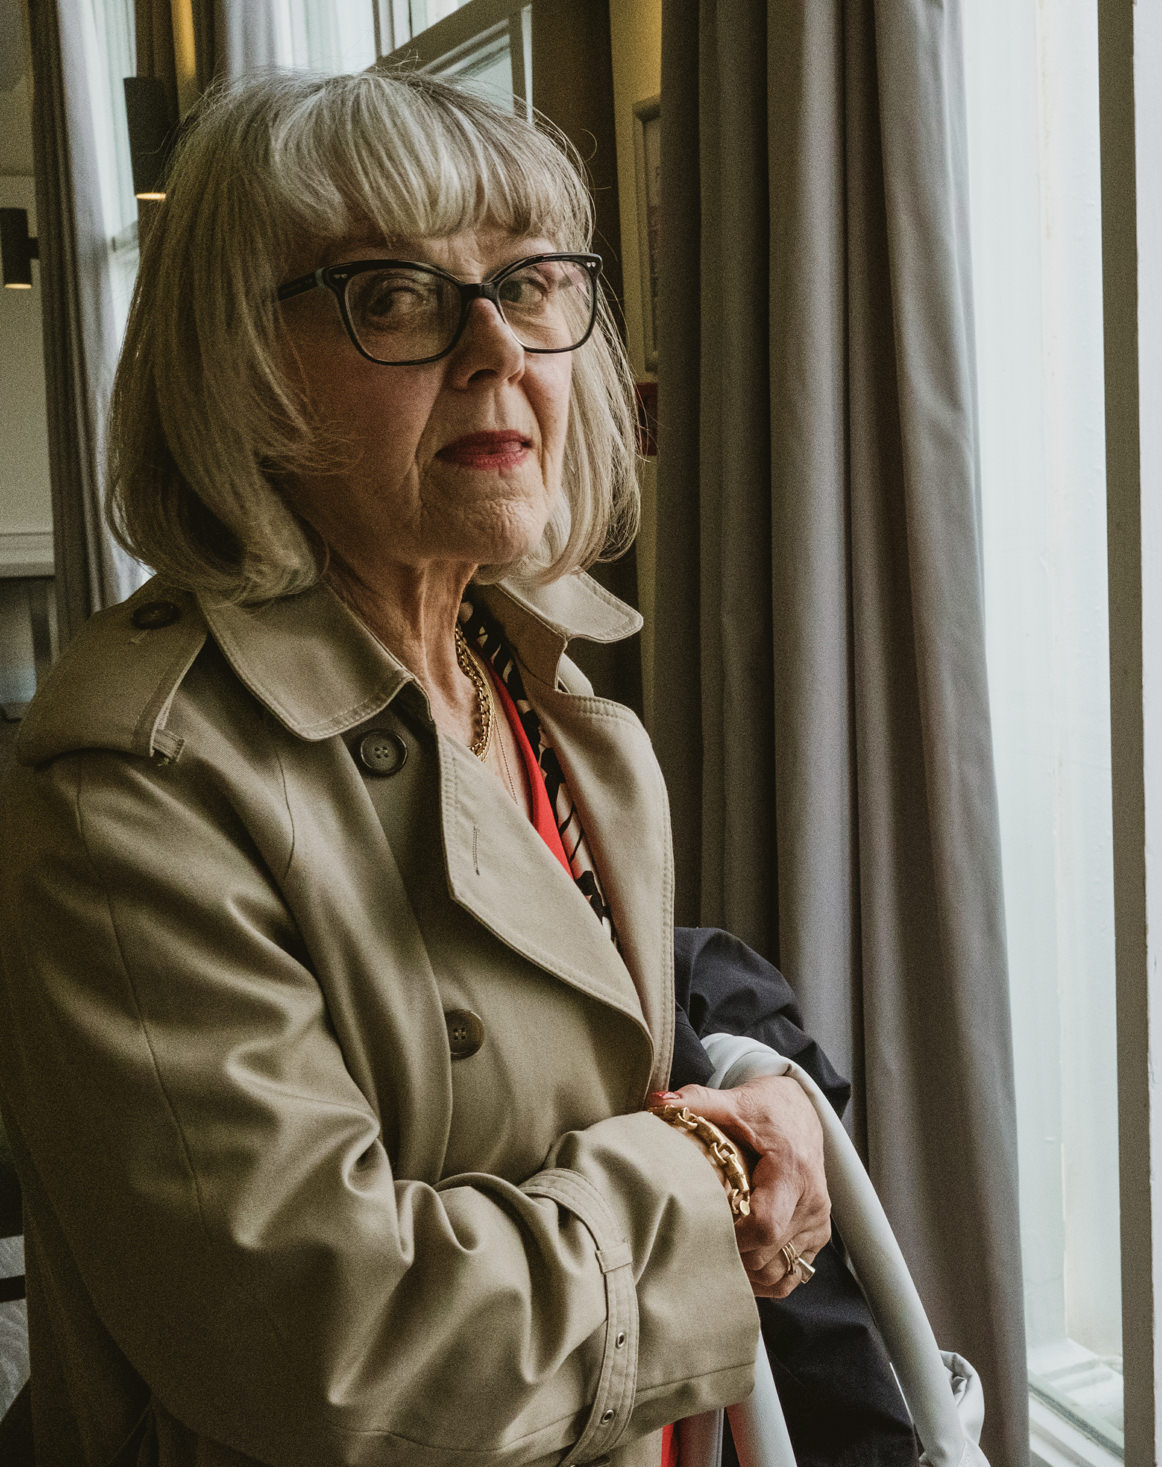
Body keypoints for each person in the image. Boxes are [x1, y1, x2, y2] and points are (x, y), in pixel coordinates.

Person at [0, 70, 865, 1466]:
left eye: (529, 283)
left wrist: (755, 1118)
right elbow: (338, 1348)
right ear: (238, 362)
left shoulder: (538, 679)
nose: (497, 349)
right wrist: (704, 1177)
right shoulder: (134, 777)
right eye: (393, 295)